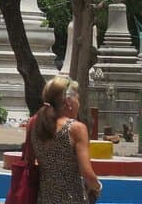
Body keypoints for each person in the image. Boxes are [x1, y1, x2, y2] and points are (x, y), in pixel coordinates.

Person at [31, 76, 102, 204]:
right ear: (69, 101)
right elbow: (87, 173)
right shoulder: (76, 129)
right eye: (78, 99)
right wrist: (97, 187)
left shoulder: (36, 126)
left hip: (44, 199)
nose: (79, 104)